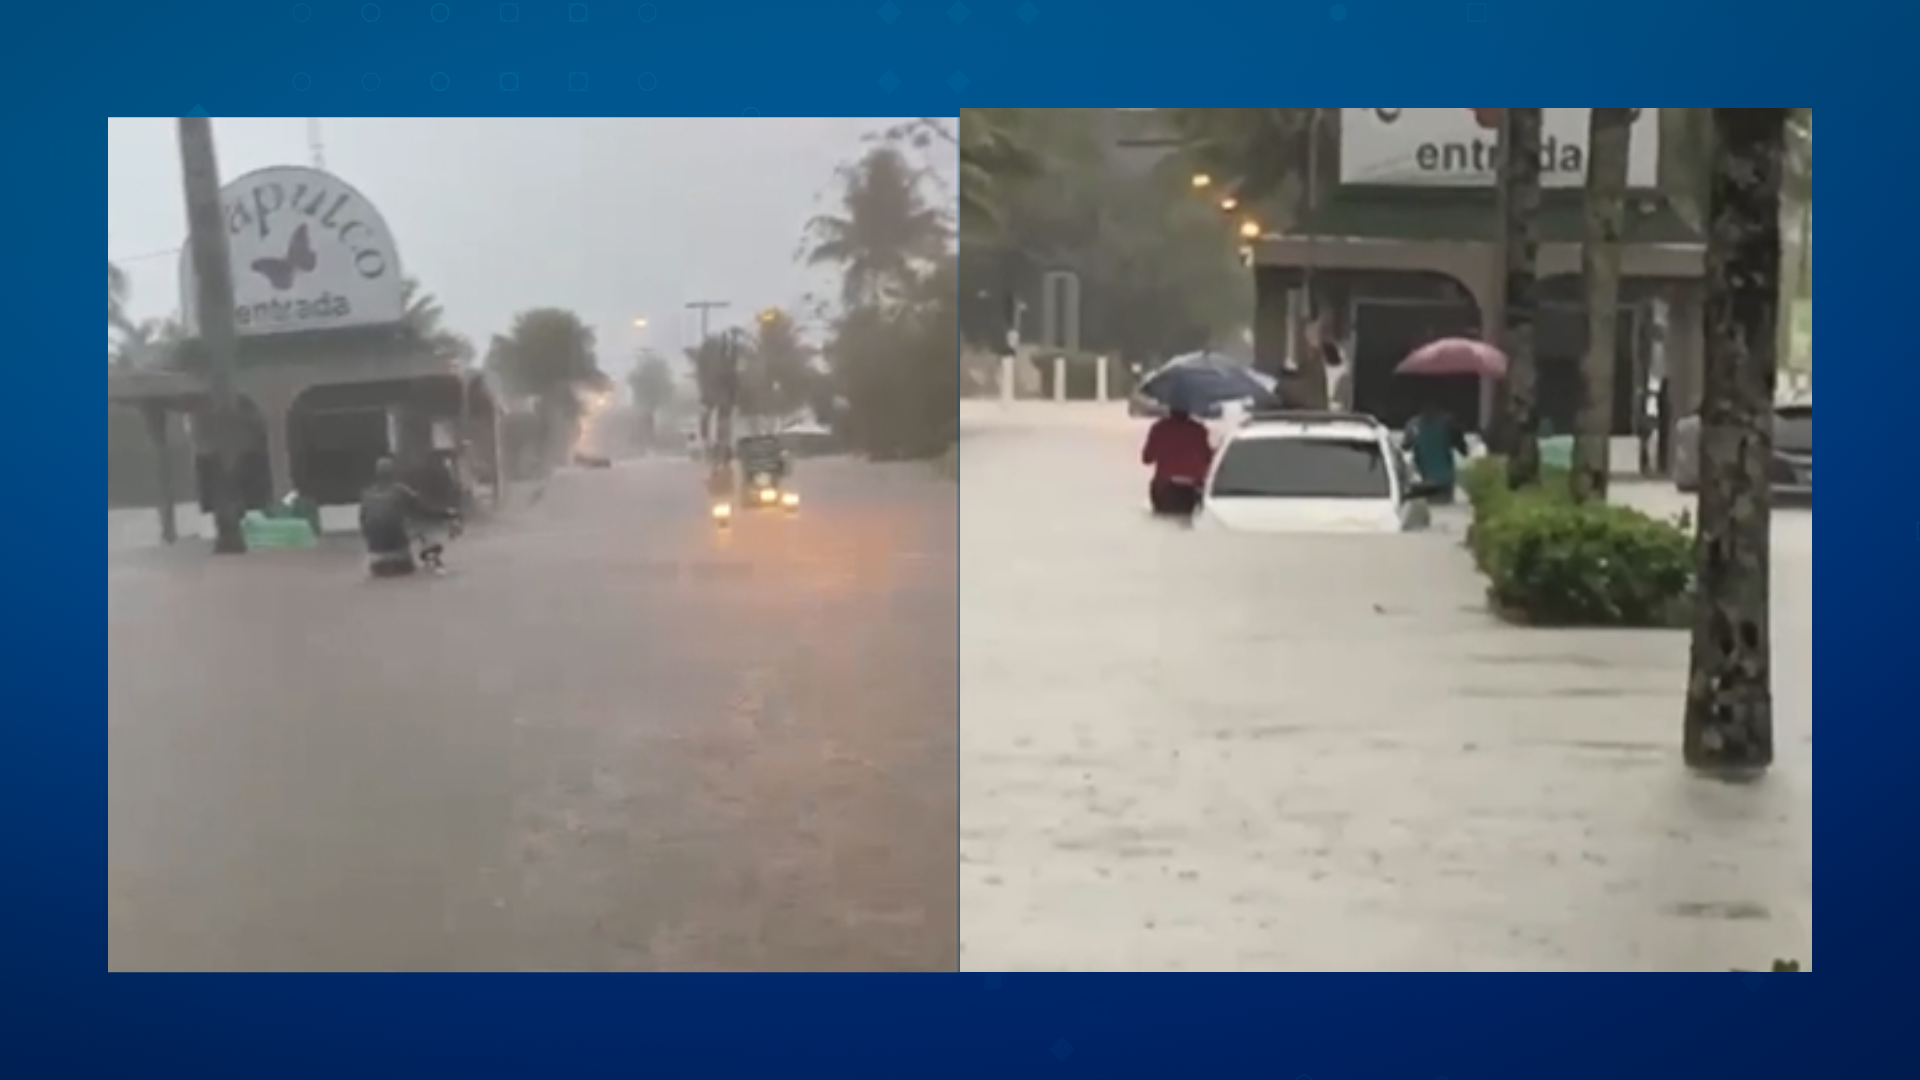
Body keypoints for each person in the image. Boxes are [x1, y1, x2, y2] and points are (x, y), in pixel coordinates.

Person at [359, 457, 457, 566]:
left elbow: (364, 526)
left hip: (374, 559)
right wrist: (448, 513)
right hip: (400, 558)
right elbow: (425, 512)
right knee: (420, 533)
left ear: (377, 474)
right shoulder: (401, 491)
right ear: (392, 473)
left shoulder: (367, 495)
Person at [1141, 407, 1214, 515]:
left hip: (1165, 486)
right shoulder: (1199, 430)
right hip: (1194, 486)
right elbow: (1209, 459)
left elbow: (1147, 459)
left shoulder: (1159, 428)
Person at [1402, 404, 1471, 504]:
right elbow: (1462, 448)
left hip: (1422, 481)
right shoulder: (1448, 423)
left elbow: (1405, 447)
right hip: (1444, 480)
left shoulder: (1413, 425)